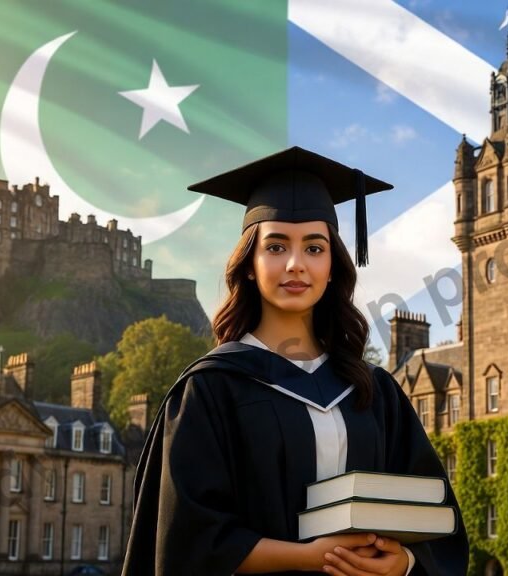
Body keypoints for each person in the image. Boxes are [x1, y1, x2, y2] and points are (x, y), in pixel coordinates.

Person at [121, 147, 469, 575]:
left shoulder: (374, 392)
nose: (295, 264)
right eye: (276, 246)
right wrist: (310, 557)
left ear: (333, 265)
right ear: (249, 263)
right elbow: (186, 539)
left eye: (314, 248)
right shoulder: (213, 389)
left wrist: (405, 563)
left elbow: (436, 516)